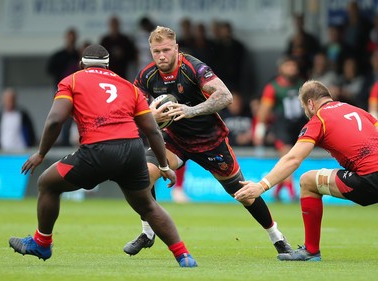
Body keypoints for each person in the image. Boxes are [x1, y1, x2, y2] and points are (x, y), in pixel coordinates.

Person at [8, 44, 197, 268]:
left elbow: (55, 120)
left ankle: (41, 243)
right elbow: (153, 130)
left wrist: (41, 153)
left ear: (81, 64)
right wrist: (164, 166)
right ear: (108, 66)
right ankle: (184, 256)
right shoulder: (128, 86)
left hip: (97, 150)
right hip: (132, 151)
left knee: (47, 183)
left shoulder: (72, 80)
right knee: (147, 206)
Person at [123, 26, 292, 257]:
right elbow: (133, 110)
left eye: (166, 50)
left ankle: (277, 237)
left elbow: (225, 96)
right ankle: (147, 232)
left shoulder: (195, 68)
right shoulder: (146, 75)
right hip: (174, 141)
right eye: (156, 51)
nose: (161, 56)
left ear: (176, 48)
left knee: (243, 194)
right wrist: (152, 116)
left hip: (210, 141)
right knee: (143, 175)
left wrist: (190, 111)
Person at [235, 80, 378, 261]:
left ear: (310, 103)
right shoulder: (358, 111)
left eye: (304, 107)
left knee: (308, 181)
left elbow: (293, 159)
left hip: (368, 179)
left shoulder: (319, 119)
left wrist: (261, 186)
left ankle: (311, 251)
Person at [253, 56, 306, 202]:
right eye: (288, 66)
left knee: (289, 159)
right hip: (281, 127)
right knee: (288, 157)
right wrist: (260, 130)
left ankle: (277, 192)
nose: (292, 69)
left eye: (293, 65)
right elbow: (264, 110)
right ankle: (291, 193)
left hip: (300, 125)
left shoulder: (302, 84)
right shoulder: (272, 87)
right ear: (280, 69)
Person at [46, 27, 81, 147]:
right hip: (63, 91)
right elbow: (49, 70)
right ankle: (63, 142)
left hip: (77, 91)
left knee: (75, 117)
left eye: (73, 38)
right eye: (70, 37)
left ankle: (74, 141)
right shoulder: (59, 55)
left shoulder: (78, 55)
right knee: (60, 116)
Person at [0, 88, 36, 152]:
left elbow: (30, 132)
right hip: (3, 152)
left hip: (20, 152)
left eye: (11, 99)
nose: (9, 102)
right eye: (7, 99)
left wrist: (29, 146)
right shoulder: (0, 115)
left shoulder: (22, 114)